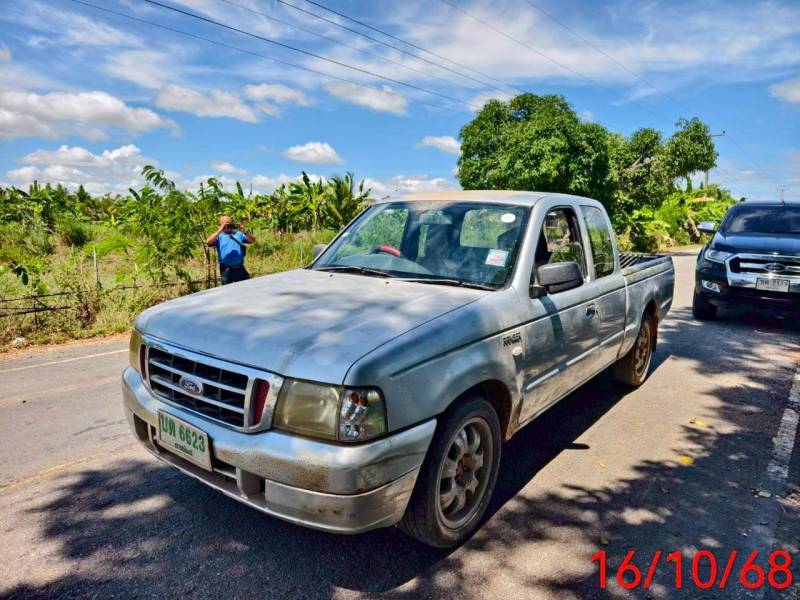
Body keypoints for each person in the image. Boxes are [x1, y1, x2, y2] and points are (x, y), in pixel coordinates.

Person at [206, 216, 255, 285]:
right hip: (226, 270)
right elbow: (208, 242)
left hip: (240, 268)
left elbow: (252, 240)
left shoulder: (239, 234)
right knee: (228, 290)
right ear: (220, 225)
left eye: (230, 224)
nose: (228, 226)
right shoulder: (219, 236)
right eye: (225, 225)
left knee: (246, 287)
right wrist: (220, 230)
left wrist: (244, 232)